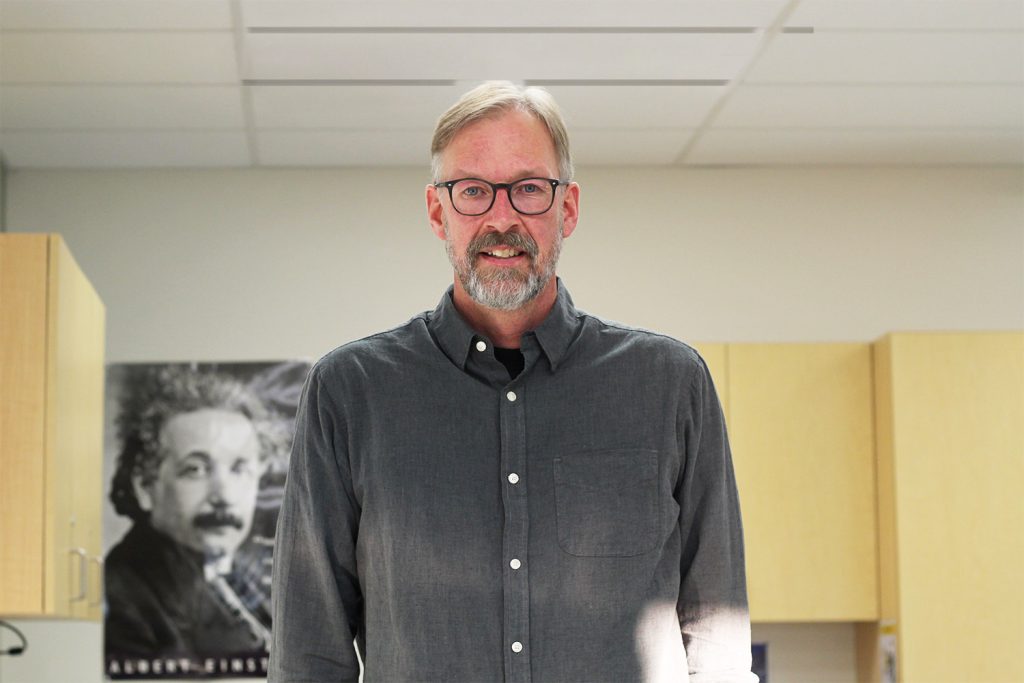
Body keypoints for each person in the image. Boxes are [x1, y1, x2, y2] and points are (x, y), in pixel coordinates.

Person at [270, 81, 756, 682]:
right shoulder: (349, 392)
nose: (502, 219)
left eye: (528, 189)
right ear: (438, 212)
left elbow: (716, 638)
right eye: (473, 191)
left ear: (567, 208)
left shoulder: (670, 385)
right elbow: (308, 654)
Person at [105, 365, 283, 661]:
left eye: (239, 469)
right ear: (144, 485)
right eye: (195, 470)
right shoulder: (125, 597)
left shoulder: (243, 581)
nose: (224, 497)